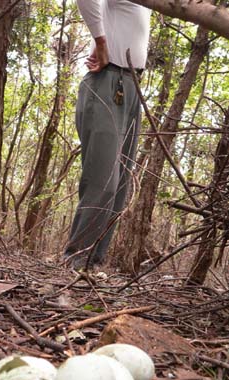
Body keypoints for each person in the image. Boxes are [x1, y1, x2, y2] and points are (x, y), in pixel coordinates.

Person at [64, 0, 151, 270]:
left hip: (131, 86)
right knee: (104, 181)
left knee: (120, 184)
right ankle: (76, 261)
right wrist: (101, 43)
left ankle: (93, 264)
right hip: (108, 81)